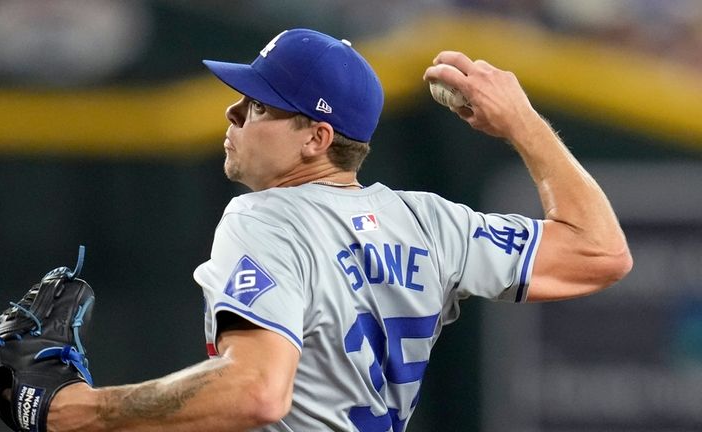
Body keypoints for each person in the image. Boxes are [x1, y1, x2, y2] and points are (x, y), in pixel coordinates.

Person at [46, 28, 632, 431]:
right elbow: (599, 250)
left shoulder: (266, 219)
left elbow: (256, 392)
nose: (234, 112)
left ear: (316, 138)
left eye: (259, 104)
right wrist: (523, 122)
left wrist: (85, 411)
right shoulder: (430, 223)